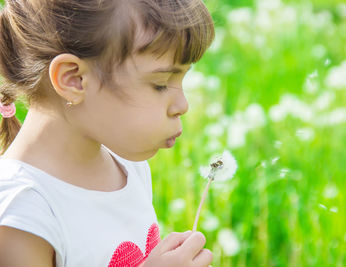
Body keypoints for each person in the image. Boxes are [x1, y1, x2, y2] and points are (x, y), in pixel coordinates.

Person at [0, 0, 215, 266]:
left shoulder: (127, 167)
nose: (183, 105)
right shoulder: (21, 210)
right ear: (73, 79)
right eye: (160, 84)